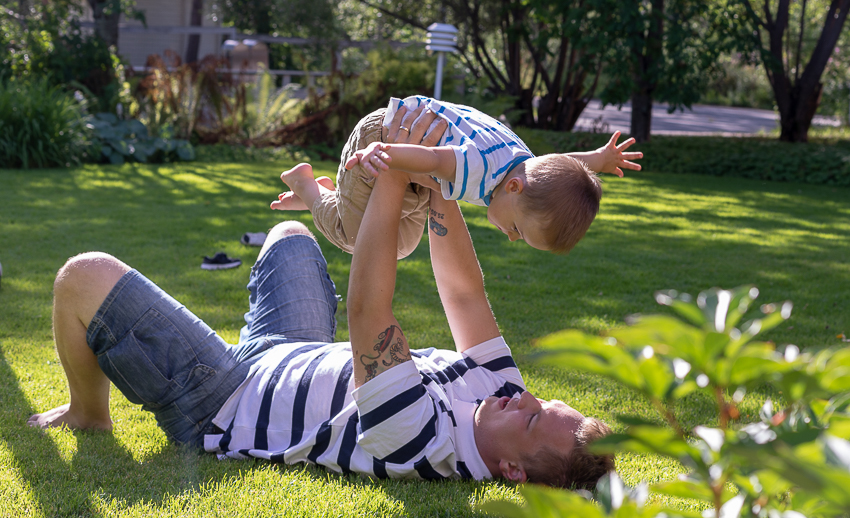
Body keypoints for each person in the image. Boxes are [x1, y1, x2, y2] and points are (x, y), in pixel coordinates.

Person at [27, 112, 615, 489]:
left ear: (511, 470)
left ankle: (87, 413)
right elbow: (463, 293)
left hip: (222, 398)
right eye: (544, 400)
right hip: (289, 351)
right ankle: (313, 202)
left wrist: (394, 168)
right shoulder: (503, 389)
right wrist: (437, 178)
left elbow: (368, 311)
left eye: (533, 418)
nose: (524, 397)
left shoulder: (419, 441)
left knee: (83, 275)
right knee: (291, 235)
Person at [271, 95, 642, 259]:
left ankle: (328, 198)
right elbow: (434, 157)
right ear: (514, 188)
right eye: (518, 229)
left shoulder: (523, 164)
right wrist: (385, 152)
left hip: (415, 167)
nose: (511, 236)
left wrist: (596, 160)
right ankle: (307, 185)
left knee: (398, 246)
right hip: (386, 142)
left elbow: (559, 163)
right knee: (357, 237)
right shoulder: (478, 169)